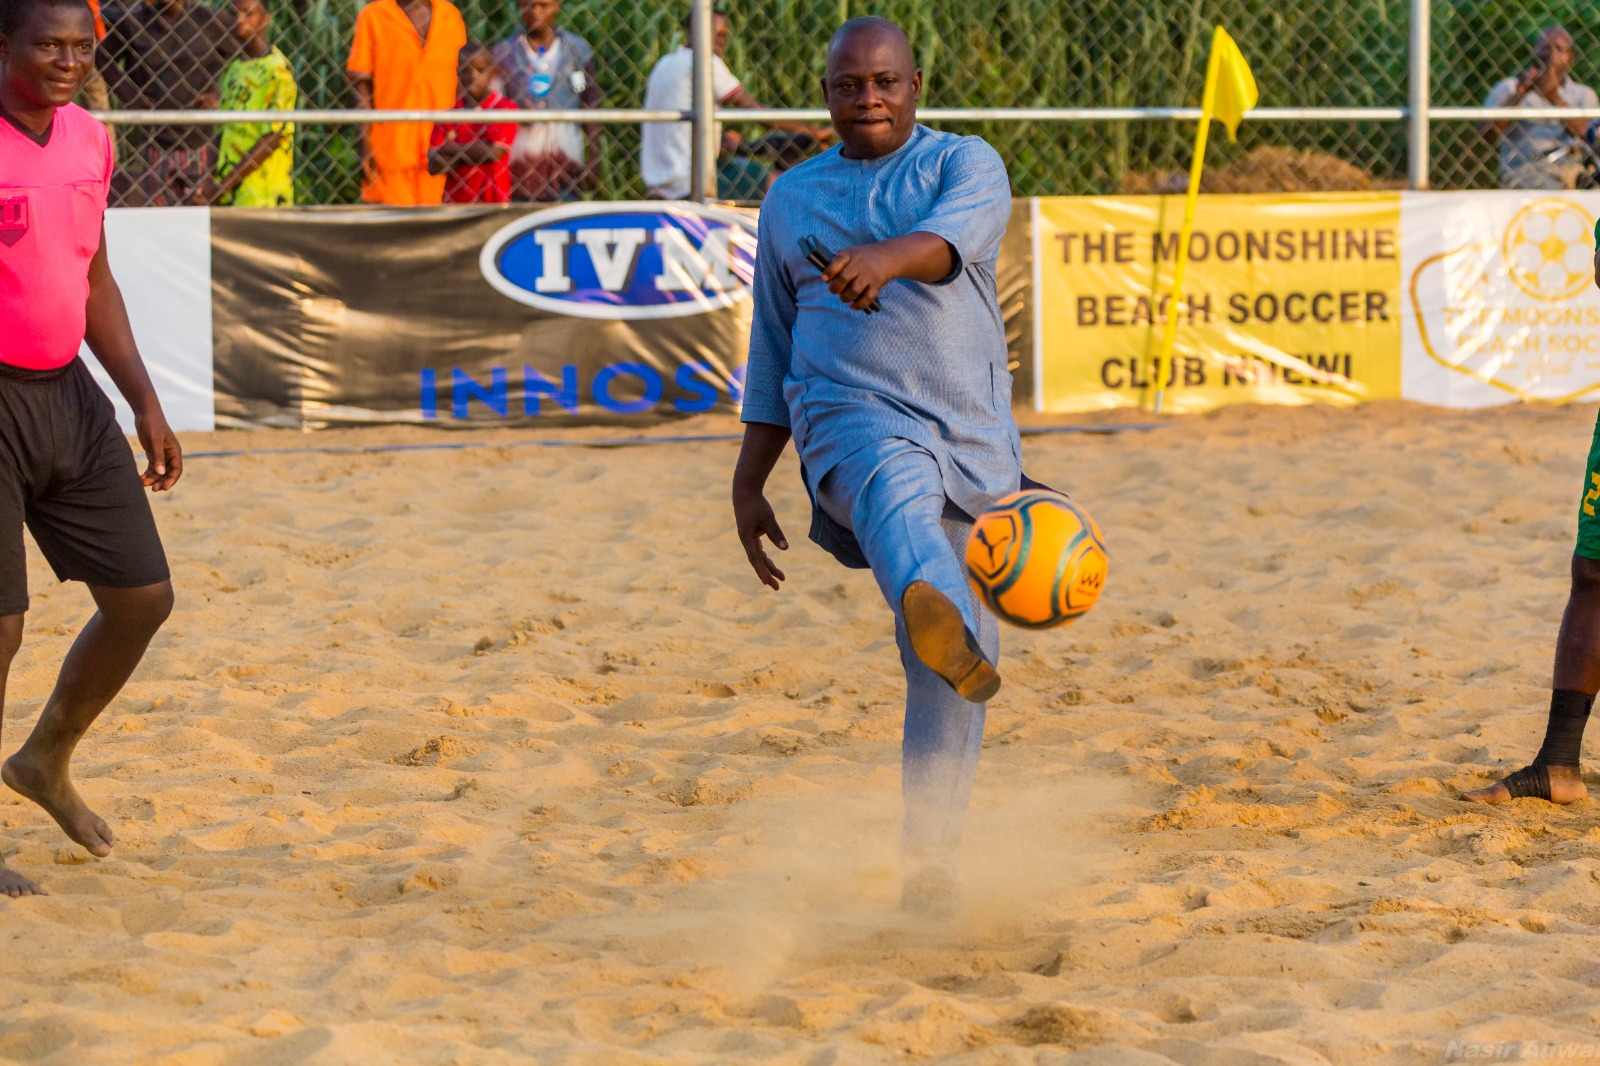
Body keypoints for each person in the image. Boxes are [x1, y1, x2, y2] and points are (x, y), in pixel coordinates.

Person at [732, 17, 1022, 909]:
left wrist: (882, 261)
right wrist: (749, 477)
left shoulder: (964, 165)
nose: (869, 100)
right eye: (850, 86)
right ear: (826, 95)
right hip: (842, 416)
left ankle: (930, 860)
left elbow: (944, 246)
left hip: (969, 441)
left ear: (915, 84)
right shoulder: (791, 198)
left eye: (885, 83)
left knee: (948, 658)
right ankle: (929, 591)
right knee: (894, 491)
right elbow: (775, 344)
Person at [0, 0, 182, 897]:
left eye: (81, 43)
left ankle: (43, 760)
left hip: (67, 392)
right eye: (48, 43)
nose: (69, 58)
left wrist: (143, 397)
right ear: (4, 43)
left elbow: (94, 277)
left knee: (144, 598)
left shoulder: (89, 140)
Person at [640, 7, 827, 201]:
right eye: (715, 34)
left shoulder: (665, 64)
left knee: (742, 168)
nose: (721, 41)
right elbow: (756, 112)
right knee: (777, 183)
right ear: (694, 32)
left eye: (724, 35)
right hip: (688, 180)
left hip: (661, 182)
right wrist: (812, 131)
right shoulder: (704, 61)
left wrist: (719, 140)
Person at [98, 0, 236, 205]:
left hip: (200, 140)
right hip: (155, 140)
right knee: (158, 216)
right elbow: (102, 58)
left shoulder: (208, 20)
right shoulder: (135, 22)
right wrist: (131, 98)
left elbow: (245, 55)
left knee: (200, 214)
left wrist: (220, 94)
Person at [345, 0, 466, 206]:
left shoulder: (450, 16)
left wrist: (462, 138)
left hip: (442, 147)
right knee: (391, 228)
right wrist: (365, 144)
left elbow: (463, 81)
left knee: (438, 227)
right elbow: (362, 85)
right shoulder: (374, 15)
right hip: (390, 146)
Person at [491, 0, 599, 201]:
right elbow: (493, 104)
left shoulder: (576, 50)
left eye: (543, 5)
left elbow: (590, 102)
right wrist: (516, 112)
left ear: (557, 5)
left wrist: (594, 159)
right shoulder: (504, 53)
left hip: (566, 164)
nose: (535, 12)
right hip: (520, 167)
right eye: (529, 6)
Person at [199, 0, 296, 207]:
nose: (239, 20)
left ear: (265, 19)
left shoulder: (276, 70)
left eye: (248, 14)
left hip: (263, 196)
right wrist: (209, 181)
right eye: (234, 14)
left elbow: (273, 137)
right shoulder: (235, 68)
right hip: (228, 196)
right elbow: (221, 130)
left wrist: (222, 187)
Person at [1480, 26, 1600, 190]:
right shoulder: (1509, 88)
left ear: (1571, 57)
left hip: (1575, 171)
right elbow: (1486, 134)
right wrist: (1519, 94)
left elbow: (1591, 137)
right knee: (1547, 187)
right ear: (1534, 52)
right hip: (1526, 172)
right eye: (1544, 47)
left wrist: (1554, 98)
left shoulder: (1583, 94)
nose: (1551, 54)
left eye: (1559, 49)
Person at [428, 42, 517, 204]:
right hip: (456, 203)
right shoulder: (450, 115)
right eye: (466, 70)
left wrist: (449, 149)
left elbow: (494, 152)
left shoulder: (504, 108)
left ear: (492, 72)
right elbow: (435, 166)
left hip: (494, 201)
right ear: (458, 72)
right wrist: (478, 150)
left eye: (480, 70)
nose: (473, 76)